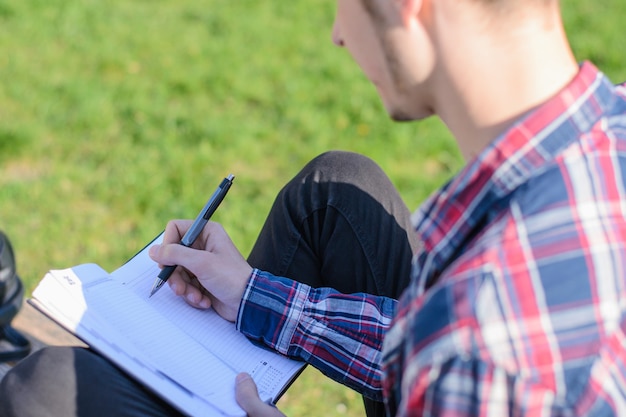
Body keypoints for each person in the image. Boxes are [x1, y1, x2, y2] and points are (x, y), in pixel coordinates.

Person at [2, 0, 626, 415]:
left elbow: (459, 347)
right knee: (336, 188)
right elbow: (413, 333)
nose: (336, 33)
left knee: (43, 389)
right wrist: (251, 293)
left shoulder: (477, 348)